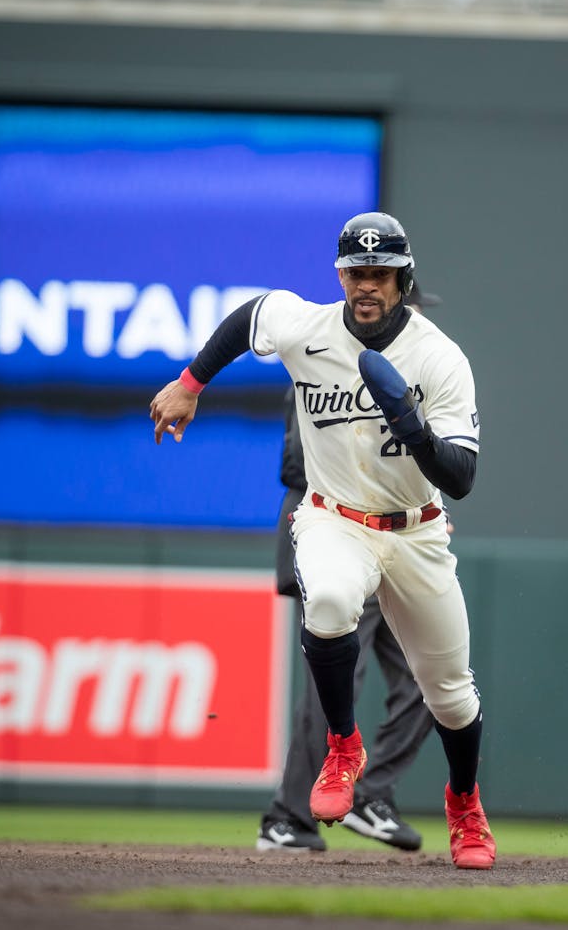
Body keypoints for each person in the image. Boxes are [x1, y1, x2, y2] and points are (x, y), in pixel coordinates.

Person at [150, 212, 496, 870]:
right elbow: (250, 316)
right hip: (332, 517)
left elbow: (464, 477)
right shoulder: (306, 326)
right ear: (341, 275)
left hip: (415, 530)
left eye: (382, 273)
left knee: (450, 693)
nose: (368, 284)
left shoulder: (438, 356)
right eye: (356, 272)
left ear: (403, 278)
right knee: (332, 600)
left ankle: (465, 803)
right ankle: (343, 745)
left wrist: (415, 430)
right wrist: (190, 384)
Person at [256, 286, 444, 854]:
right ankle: (289, 817)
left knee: (428, 675)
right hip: (328, 529)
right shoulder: (326, 361)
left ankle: (370, 794)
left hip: (390, 538)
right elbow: (300, 464)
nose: (411, 319)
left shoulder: (414, 368)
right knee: (337, 680)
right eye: (406, 308)